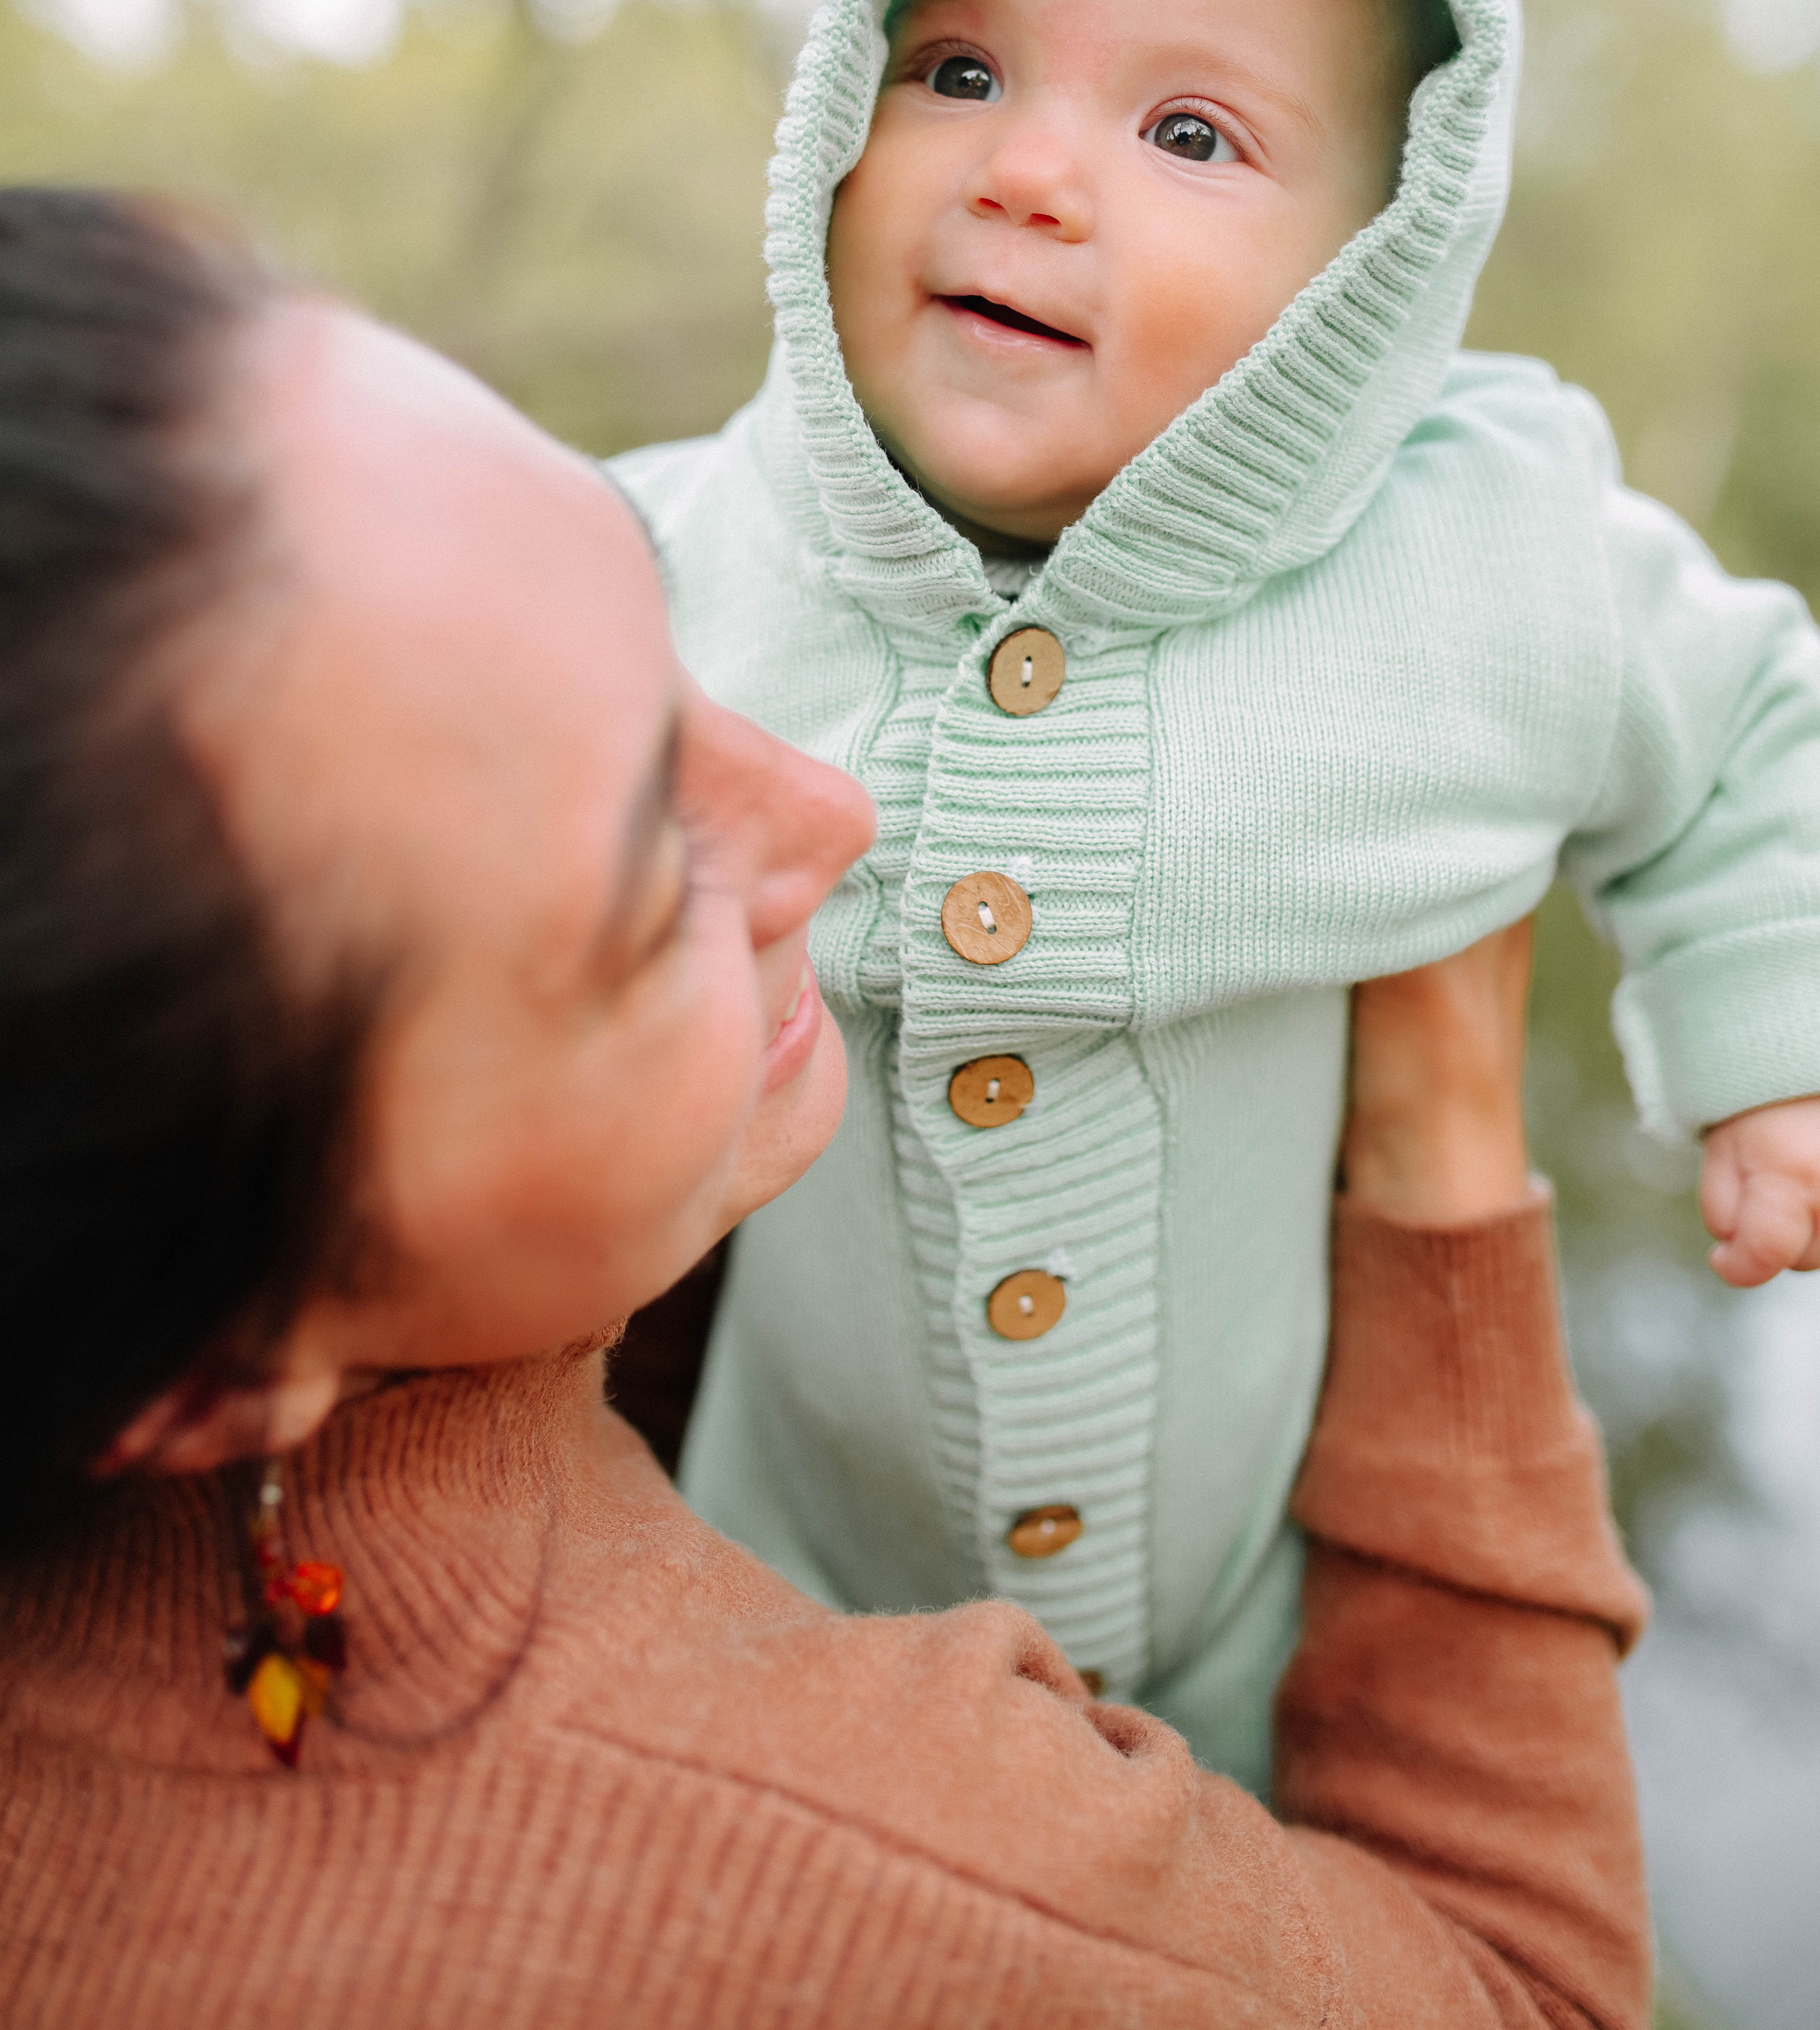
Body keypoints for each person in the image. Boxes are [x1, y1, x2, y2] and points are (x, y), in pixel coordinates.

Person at [0, 186, 1649, 2028]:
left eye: (672, 632)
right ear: (206, 1384)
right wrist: (1440, 1147)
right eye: (651, 901)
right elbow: (1530, 1994)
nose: (832, 811)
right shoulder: (872, 1867)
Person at [613, 0, 1820, 1780]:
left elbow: (1746, 726)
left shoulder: (1484, 547)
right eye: (956, 71)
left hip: (1258, 1621)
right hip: (761, 1566)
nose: (1023, 172)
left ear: (1370, 281)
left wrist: (1771, 1041)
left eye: (1190, 135)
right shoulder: (681, 547)